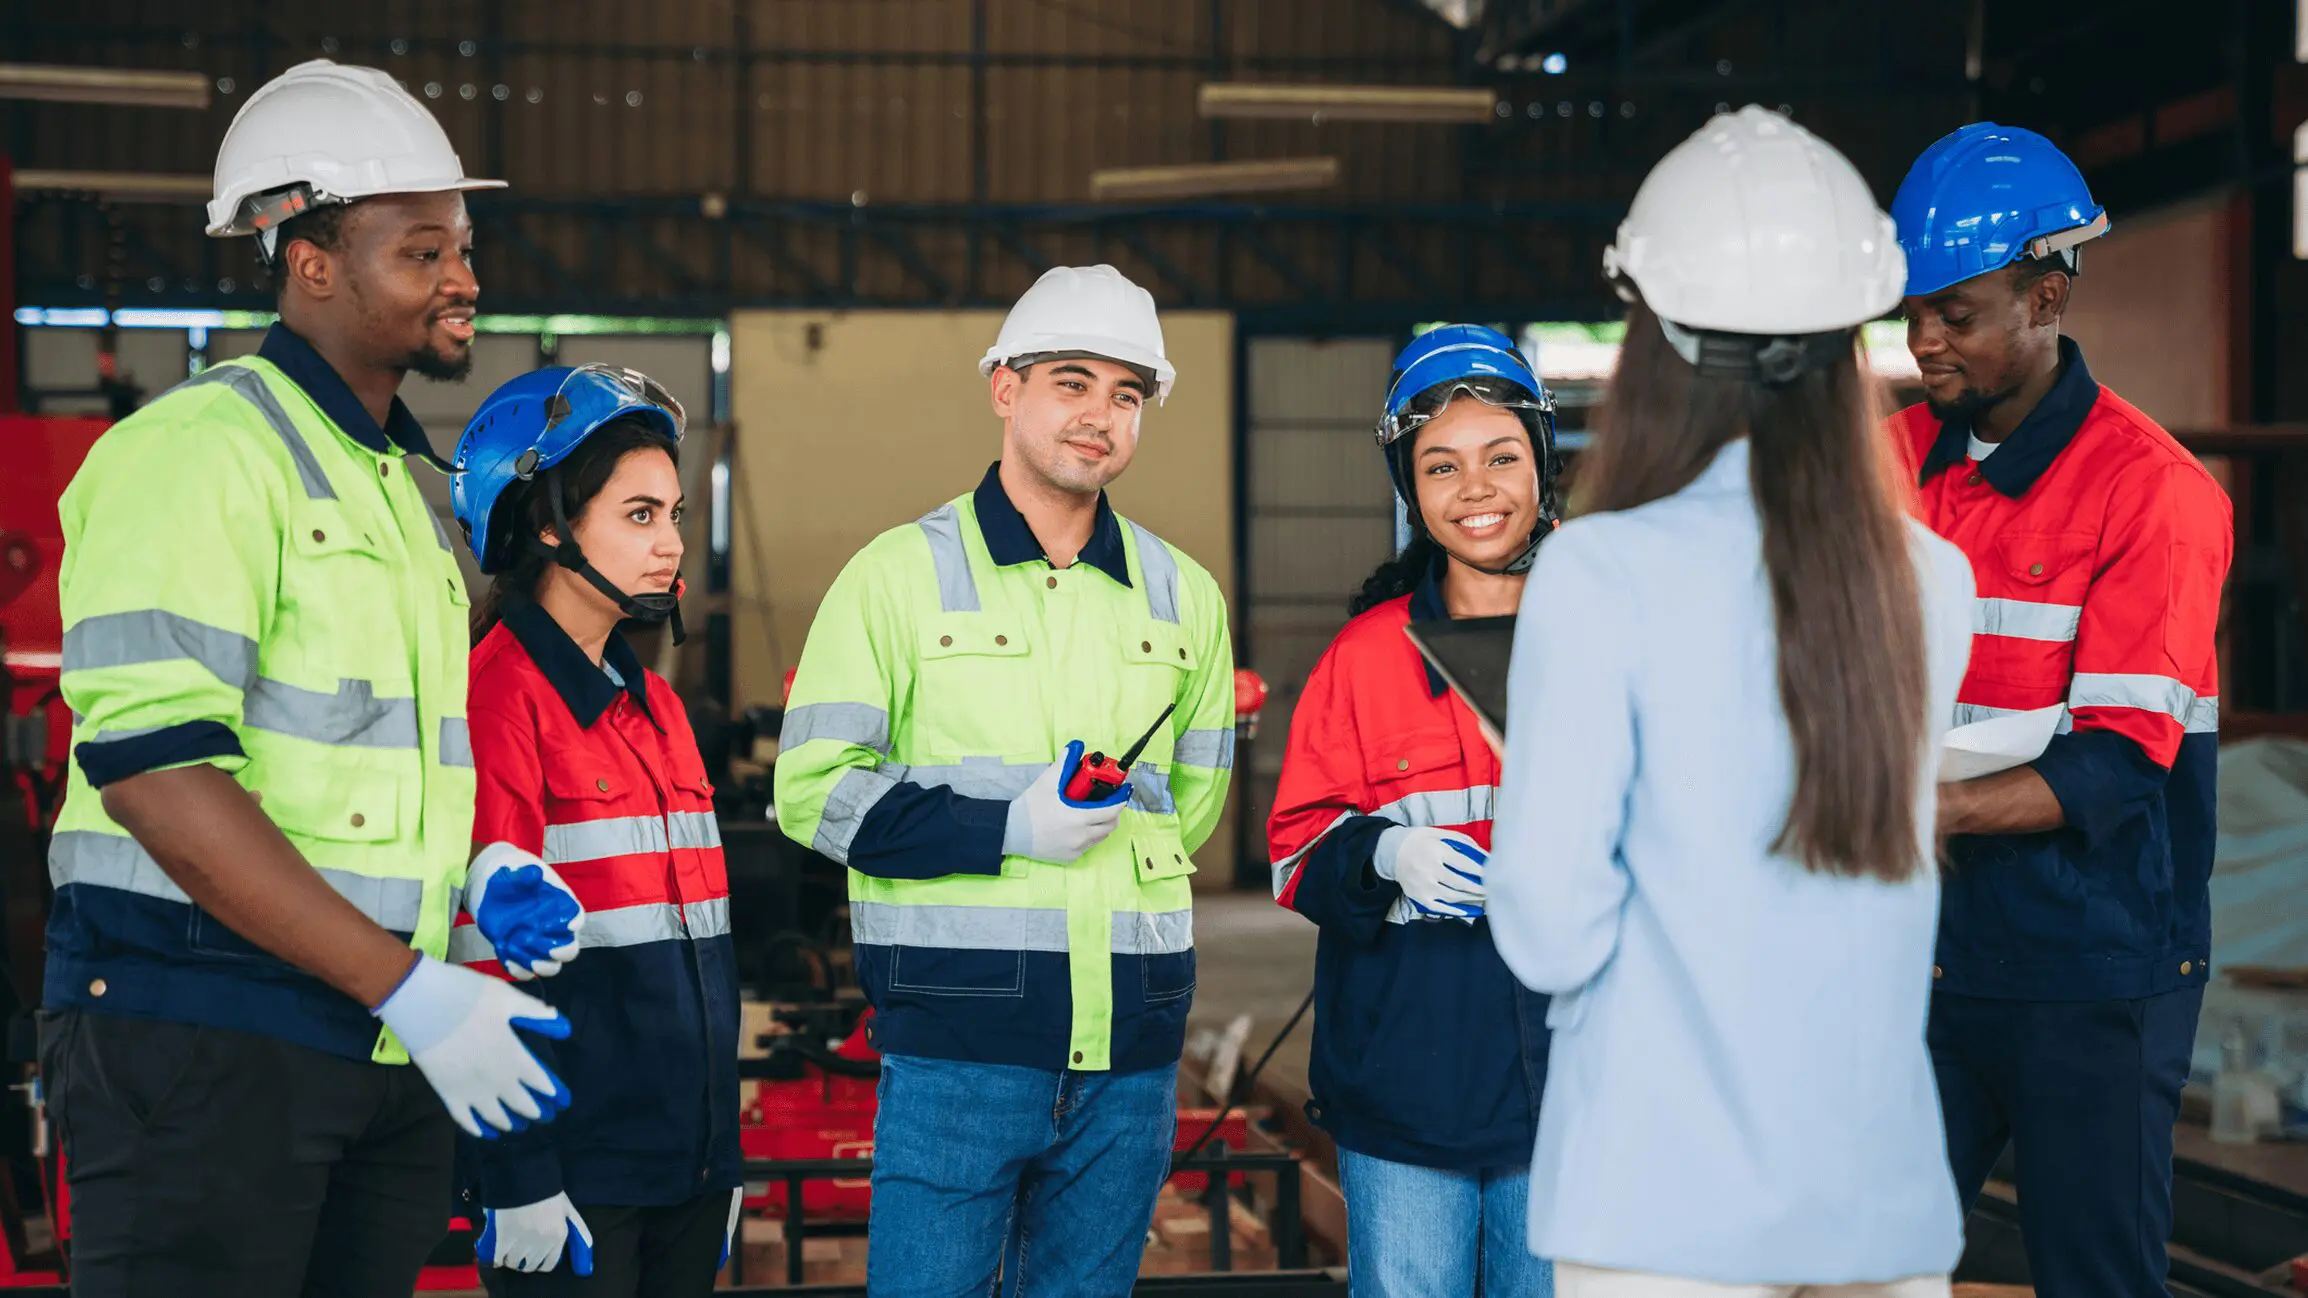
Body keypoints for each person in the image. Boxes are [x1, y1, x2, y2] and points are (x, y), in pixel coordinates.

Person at [39, 59, 582, 1297]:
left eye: (464, 246)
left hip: (378, 1037)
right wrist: (411, 983)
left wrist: (473, 881)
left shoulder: (399, 487)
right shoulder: (196, 455)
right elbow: (159, 779)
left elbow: (369, 766)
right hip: (205, 1037)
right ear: (310, 258)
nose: (465, 279)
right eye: (423, 250)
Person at [1485, 106, 1975, 1297]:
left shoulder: (1601, 575)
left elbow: (1546, 930)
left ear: (1654, 338)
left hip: (1665, 1204)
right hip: (1878, 1202)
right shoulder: (1933, 579)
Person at [774, 264, 1237, 1295]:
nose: (1101, 416)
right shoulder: (894, 577)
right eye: (1072, 382)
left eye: (1127, 394)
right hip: (957, 1046)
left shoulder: (1184, 594)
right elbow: (809, 789)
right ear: (1004, 388)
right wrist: (1005, 829)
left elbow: (1190, 806)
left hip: (1129, 1047)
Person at [1891, 123, 2233, 1298]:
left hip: (2094, 961)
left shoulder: (2154, 496)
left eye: (1957, 312)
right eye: (1910, 312)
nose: (1924, 341)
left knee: (2093, 1275)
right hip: (1925, 954)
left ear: (2045, 296)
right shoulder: (1887, 460)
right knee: (1865, 1257)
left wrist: (1905, 811)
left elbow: (2116, 764)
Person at [1267, 323, 1560, 1298]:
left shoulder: (1615, 624)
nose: (1474, 488)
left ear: (1539, 463)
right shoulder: (1365, 655)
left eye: (1499, 457)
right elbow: (1293, 850)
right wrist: (1383, 857)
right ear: (1410, 486)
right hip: (1406, 1086)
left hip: (1576, 1086)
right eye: (1441, 465)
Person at [445, 365, 743, 1294]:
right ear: (548, 525)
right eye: (640, 515)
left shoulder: (655, 702)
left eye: (676, 514)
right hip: (577, 1177)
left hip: (685, 1166)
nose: (671, 545)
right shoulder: (496, 696)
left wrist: (720, 1156)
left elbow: (700, 947)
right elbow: (480, 961)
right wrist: (518, 1176)